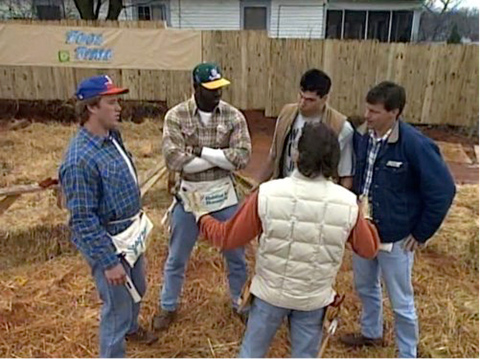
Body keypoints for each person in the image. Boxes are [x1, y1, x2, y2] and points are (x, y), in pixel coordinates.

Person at [197, 121, 380, 358]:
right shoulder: (347, 204)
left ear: (296, 154)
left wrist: (201, 215)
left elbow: (227, 238)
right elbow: (369, 249)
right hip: (313, 299)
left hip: (269, 294)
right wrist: (365, 216)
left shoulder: (267, 194)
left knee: (251, 352)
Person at [340, 81, 456, 358]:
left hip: (397, 237)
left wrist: (421, 232)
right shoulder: (362, 136)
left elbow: (443, 190)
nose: (367, 115)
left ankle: (407, 352)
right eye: (367, 109)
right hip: (364, 231)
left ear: (395, 113)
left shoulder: (415, 145)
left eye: (375, 111)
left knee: (401, 299)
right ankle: (371, 332)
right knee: (365, 286)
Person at [59, 75, 157, 358]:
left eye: (118, 101)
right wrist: (108, 262)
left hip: (130, 234)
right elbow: (83, 219)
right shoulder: (79, 160)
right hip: (110, 242)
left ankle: (130, 327)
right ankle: (113, 350)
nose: (119, 108)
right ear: (91, 107)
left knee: (138, 286)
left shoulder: (112, 136)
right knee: (116, 306)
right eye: (111, 102)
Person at [153, 62, 252, 330]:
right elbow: (174, 160)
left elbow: (242, 157)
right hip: (189, 196)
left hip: (223, 194)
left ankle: (239, 302)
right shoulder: (176, 116)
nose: (217, 93)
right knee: (176, 256)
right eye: (210, 89)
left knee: (236, 254)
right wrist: (221, 158)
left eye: (219, 87)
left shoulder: (233, 116)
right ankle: (168, 305)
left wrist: (199, 151)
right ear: (196, 88)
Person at [258, 69, 354, 189]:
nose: (302, 103)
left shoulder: (341, 127)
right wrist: (257, 186)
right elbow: (273, 156)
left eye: (310, 100)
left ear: (324, 99)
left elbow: (346, 174)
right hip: (286, 189)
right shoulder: (286, 114)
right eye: (301, 96)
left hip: (318, 195)